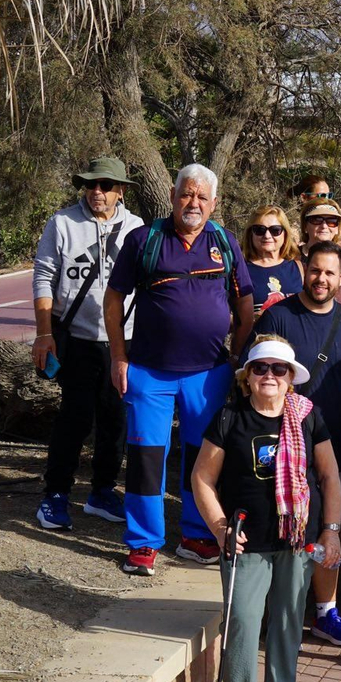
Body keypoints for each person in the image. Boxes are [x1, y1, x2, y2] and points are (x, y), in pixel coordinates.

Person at [191, 336, 341, 682]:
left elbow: (329, 476)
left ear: (291, 376)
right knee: (243, 620)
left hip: (297, 538)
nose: (270, 375)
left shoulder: (309, 416)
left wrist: (331, 531)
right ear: (248, 376)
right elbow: (202, 478)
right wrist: (220, 527)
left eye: (279, 369)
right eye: (261, 368)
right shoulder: (229, 416)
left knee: (289, 619)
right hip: (246, 540)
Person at [105, 164, 255, 574]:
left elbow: (244, 303)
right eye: (187, 194)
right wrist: (118, 357)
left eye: (202, 197)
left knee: (202, 457)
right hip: (148, 371)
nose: (193, 203)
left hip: (208, 374)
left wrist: (236, 357)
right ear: (172, 196)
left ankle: (197, 534)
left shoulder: (224, 242)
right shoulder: (144, 239)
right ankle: (143, 542)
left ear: (214, 203)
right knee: (146, 457)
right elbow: (114, 299)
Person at [254, 242, 341, 646]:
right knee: (279, 522)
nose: (321, 279)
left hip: (340, 445)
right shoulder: (279, 316)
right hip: (283, 445)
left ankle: (325, 611)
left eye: (329, 273)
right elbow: (254, 376)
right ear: (304, 271)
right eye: (315, 270)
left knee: (332, 527)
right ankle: (273, 607)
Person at [32, 157, 144, 532]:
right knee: (74, 418)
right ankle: (56, 494)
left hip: (122, 342)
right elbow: (44, 277)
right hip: (77, 339)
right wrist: (44, 334)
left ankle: (102, 492)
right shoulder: (62, 223)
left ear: (121, 191)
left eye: (106, 185)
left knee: (115, 420)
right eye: (91, 184)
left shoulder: (136, 228)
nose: (97, 191)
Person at [242, 205, 301, 313]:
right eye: (260, 230)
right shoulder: (240, 270)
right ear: (250, 234)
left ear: (285, 234)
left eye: (275, 230)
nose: (267, 236)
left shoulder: (299, 268)